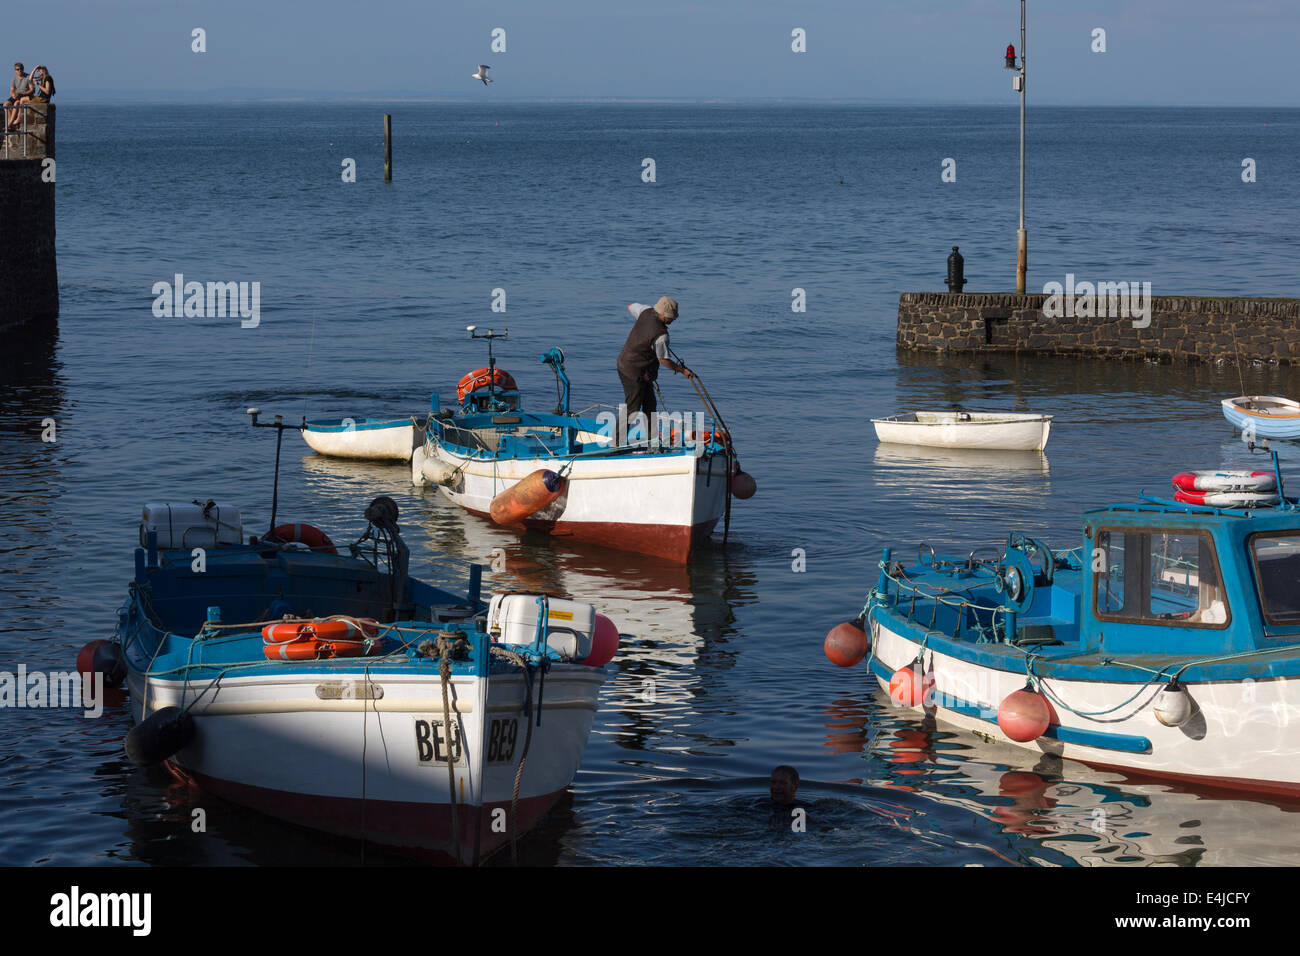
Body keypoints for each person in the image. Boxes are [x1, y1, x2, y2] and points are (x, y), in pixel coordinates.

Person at [617, 296, 692, 417]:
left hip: (631, 366)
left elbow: (630, 307)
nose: (673, 320)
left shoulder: (645, 310)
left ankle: (651, 435)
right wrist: (682, 370)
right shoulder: (661, 337)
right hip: (632, 371)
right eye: (671, 317)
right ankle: (617, 436)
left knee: (650, 404)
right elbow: (663, 360)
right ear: (663, 315)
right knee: (632, 409)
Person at [4, 63, 32, 132]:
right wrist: (13, 95)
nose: (20, 70)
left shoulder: (28, 77)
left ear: (23, 69)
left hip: (23, 95)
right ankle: (12, 123)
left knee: (16, 104)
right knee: (5, 105)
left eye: (21, 69)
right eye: (18, 69)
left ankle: (9, 125)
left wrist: (23, 93)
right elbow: (11, 90)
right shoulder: (14, 78)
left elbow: (32, 89)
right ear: (15, 70)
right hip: (15, 95)